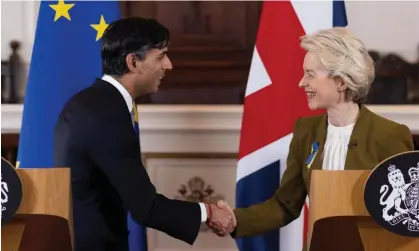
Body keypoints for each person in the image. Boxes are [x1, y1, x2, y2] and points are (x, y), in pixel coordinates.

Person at [205, 27, 415, 248]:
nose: (302, 82)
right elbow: (285, 205)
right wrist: (235, 219)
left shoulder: (390, 135)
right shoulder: (306, 131)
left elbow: (407, 213)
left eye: (310, 74)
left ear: (341, 81)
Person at [53, 17, 233, 251]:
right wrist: (207, 211)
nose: (168, 65)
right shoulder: (106, 114)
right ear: (133, 62)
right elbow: (146, 208)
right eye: (160, 57)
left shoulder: (92, 103)